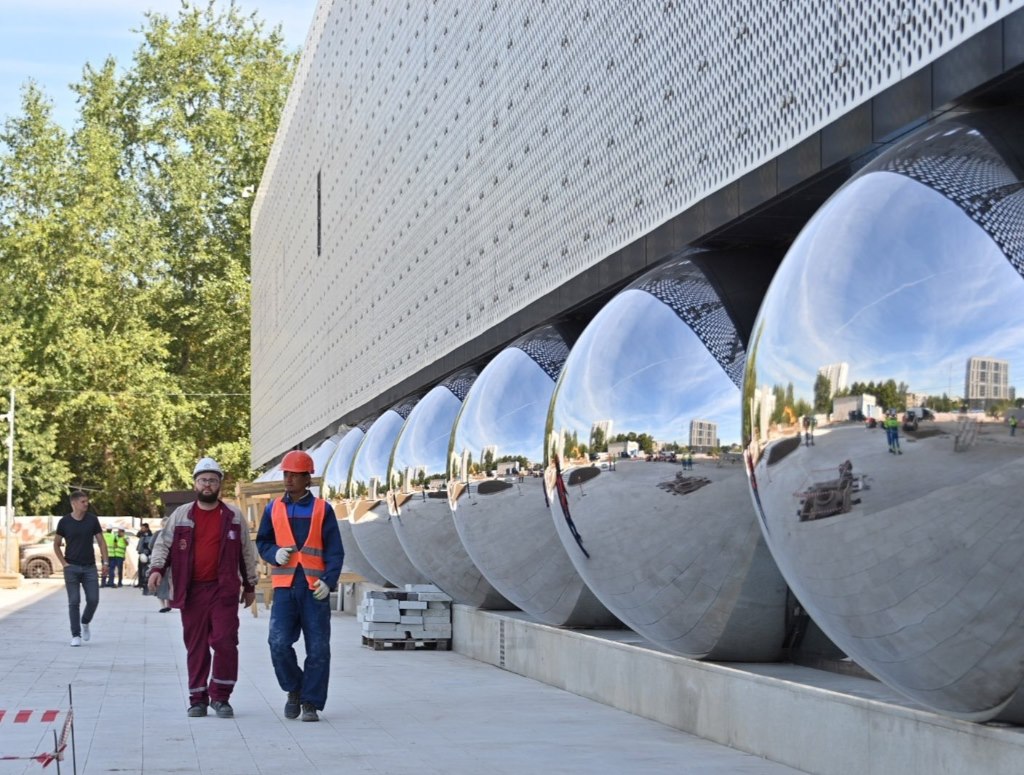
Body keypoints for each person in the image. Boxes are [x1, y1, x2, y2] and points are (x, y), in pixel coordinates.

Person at [147, 457, 258, 719]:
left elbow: (246, 551)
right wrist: (156, 570)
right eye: (203, 480)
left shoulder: (233, 516)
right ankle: (197, 699)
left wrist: (250, 584)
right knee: (195, 645)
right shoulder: (182, 515)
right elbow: (164, 544)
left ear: (220, 484)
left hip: (224, 591)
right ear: (195, 483)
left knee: (225, 641)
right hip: (191, 591)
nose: (207, 485)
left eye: (212, 480)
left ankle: (220, 696)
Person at [256, 450, 344, 723]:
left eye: (295, 475)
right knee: (278, 643)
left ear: (308, 478)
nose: (289, 479)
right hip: (284, 588)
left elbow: (335, 551)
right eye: (286, 474)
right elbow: (263, 542)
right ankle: (295, 689)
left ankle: (310, 703)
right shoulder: (273, 508)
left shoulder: (322, 509)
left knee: (318, 648)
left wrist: (328, 582)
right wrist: (273, 554)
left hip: (314, 589)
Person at [53, 491, 109, 646]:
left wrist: (105, 563)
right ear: (74, 503)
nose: (86, 504)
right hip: (71, 567)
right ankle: (75, 635)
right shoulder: (64, 522)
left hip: (90, 568)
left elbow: (102, 542)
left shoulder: (92, 520)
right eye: (83, 501)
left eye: (86, 501)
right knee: (74, 601)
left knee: (93, 599)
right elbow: (56, 544)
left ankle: (85, 621)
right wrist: (64, 564)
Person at [136, 523, 155, 593]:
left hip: (146, 554)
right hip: (141, 554)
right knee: (140, 568)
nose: (142, 529)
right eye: (141, 528)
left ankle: (144, 582)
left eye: (143, 528)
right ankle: (140, 582)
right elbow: (137, 535)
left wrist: (147, 553)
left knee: (145, 569)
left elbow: (148, 546)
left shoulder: (150, 535)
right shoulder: (142, 534)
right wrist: (141, 531)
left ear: (147, 528)